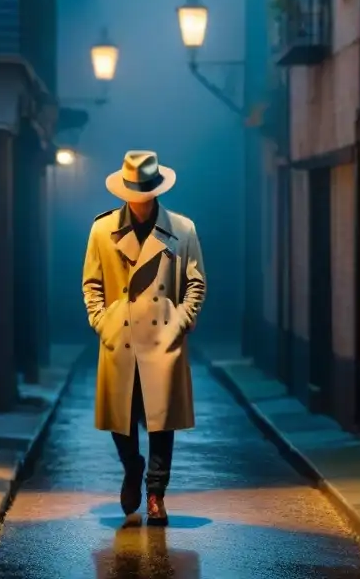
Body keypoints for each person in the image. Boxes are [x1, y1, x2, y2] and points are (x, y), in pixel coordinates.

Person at [82, 150, 207, 525]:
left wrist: (179, 321)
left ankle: (155, 493)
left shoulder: (182, 229)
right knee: (121, 419)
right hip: (118, 337)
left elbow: (196, 283)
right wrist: (101, 321)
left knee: (161, 420)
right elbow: (92, 283)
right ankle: (133, 467)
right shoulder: (102, 229)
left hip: (161, 339)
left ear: (155, 190)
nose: (137, 198)